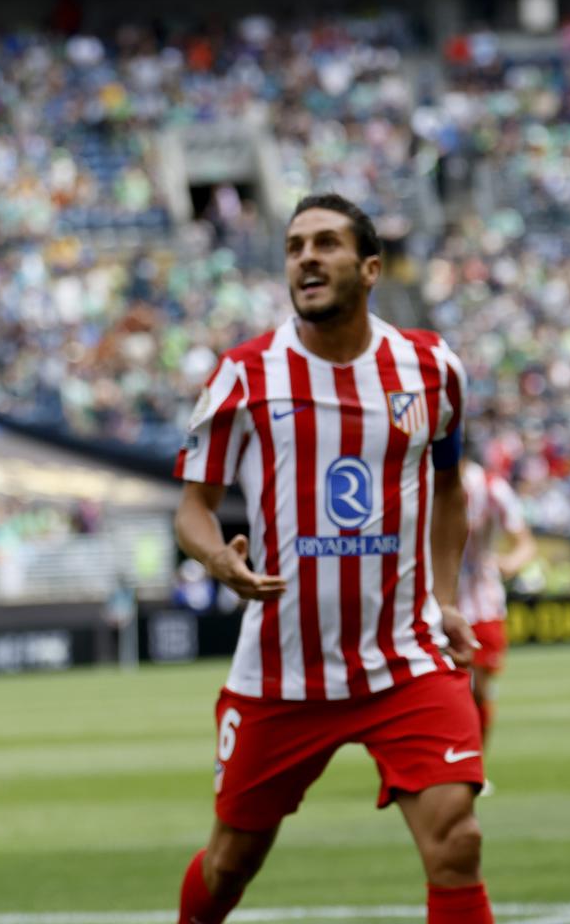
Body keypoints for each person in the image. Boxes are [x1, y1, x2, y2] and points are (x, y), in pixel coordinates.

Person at [173, 193, 496, 924]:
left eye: (325, 244)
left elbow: (449, 488)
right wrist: (218, 561)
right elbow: (192, 509)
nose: (307, 258)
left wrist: (445, 598)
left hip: (405, 658)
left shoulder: (430, 366)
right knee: (229, 866)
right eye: (294, 247)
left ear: (371, 267)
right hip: (282, 671)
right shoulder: (245, 375)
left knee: (458, 842)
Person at [459, 458, 536, 754]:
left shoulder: (492, 489)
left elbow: (525, 543)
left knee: (479, 691)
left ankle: (474, 764)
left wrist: (509, 563)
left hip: (483, 605)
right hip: (436, 604)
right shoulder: (424, 479)